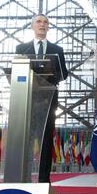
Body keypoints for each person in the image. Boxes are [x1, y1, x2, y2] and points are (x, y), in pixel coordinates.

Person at [16, 13, 68, 183]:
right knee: (27, 140)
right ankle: (23, 177)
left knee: (46, 141)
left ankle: (44, 180)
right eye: (38, 21)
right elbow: (16, 72)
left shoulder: (57, 50)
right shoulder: (21, 49)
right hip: (27, 100)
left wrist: (49, 74)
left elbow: (64, 74)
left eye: (45, 22)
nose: (42, 24)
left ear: (48, 27)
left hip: (48, 100)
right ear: (32, 26)